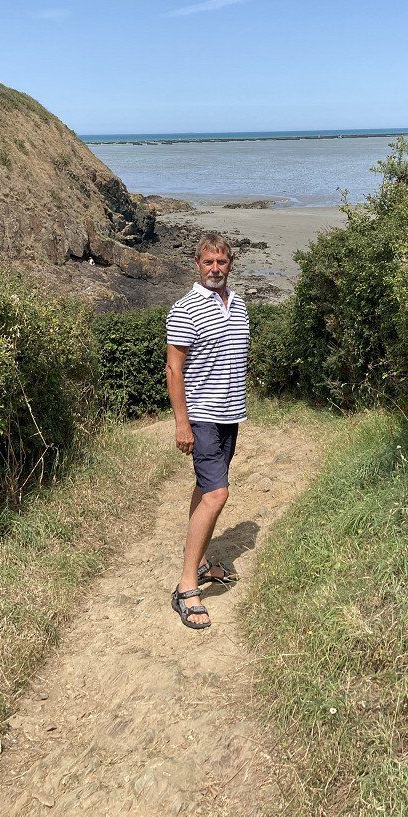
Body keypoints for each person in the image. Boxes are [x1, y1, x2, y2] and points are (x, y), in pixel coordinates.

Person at [165, 232, 250, 630]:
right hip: (202, 417)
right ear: (197, 265)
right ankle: (186, 587)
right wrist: (182, 423)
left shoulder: (240, 304)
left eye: (222, 261)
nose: (215, 268)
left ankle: (199, 562)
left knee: (205, 487)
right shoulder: (185, 309)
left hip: (230, 415)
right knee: (218, 494)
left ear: (230, 264)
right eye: (208, 262)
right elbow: (174, 369)